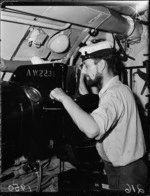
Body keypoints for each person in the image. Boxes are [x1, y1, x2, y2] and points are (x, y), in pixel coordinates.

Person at [49, 40, 148, 193]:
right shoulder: (118, 88)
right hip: (122, 167)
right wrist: (82, 79)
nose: (86, 71)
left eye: (88, 66)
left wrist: (63, 97)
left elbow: (92, 129)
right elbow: (96, 104)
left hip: (127, 172)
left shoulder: (113, 94)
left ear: (101, 65)